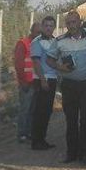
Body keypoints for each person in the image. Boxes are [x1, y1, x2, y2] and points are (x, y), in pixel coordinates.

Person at [48, 11, 86, 164]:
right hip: (69, 86)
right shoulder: (60, 41)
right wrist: (60, 67)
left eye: (74, 22)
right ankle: (72, 153)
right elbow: (49, 60)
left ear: (80, 22)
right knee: (71, 119)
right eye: (68, 23)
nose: (71, 26)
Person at [29, 15, 58, 150]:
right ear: (42, 27)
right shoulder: (37, 42)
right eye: (46, 25)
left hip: (52, 78)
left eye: (51, 26)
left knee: (47, 111)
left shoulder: (55, 41)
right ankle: (36, 141)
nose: (48, 28)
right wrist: (42, 80)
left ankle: (42, 139)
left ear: (54, 27)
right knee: (40, 111)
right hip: (42, 79)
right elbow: (36, 62)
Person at [15, 21, 41, 143]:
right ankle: (22, 133)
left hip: (35, 82)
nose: (39, 34)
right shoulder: (23, 43)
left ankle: (29, 132)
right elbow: (19, 64)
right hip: (27, 82)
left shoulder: (38, 44)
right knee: (25, 109)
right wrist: (23, 81)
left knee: (33, 109)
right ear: (32, 31)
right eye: (37, 32)